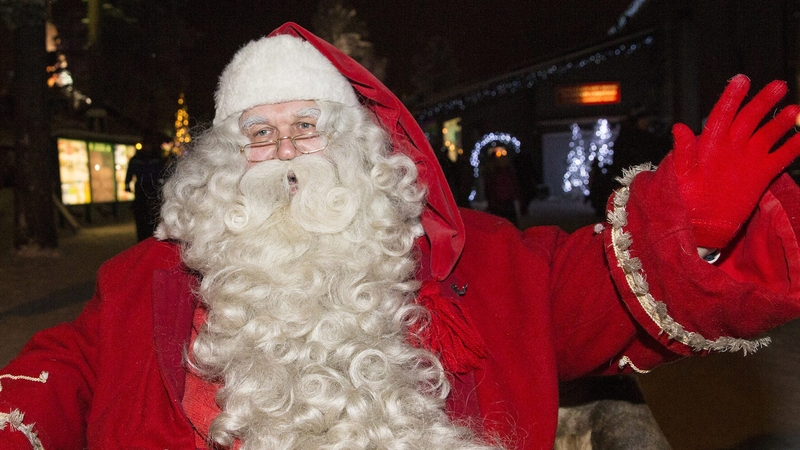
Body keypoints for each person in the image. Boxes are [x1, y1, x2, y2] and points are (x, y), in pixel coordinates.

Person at [2, 22, 800, 449]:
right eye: (259, 134)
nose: (285, 155)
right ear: (221, 162)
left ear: (359, 147)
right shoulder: (146, 278)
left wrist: (684, 224)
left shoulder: (479, 261)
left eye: (306, 127)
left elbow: (593, 287)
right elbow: (69, 366)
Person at [125, 132, 167, 241]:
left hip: (153, 188)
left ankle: (152, 236)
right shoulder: (137, 159)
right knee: (140, 213)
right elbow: (130, 172)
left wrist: (162, 186)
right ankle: (142, 237)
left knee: (153, 213)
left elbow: (162, 173)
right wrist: (127, 184)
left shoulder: (157, 158)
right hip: (141, 187)